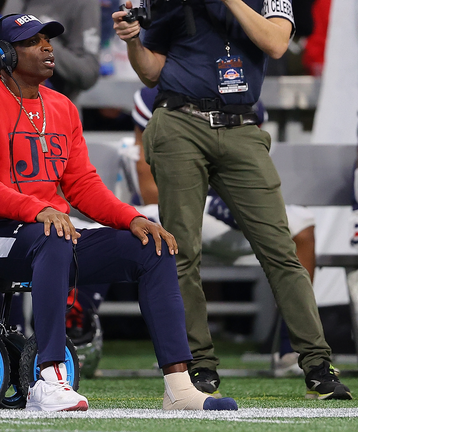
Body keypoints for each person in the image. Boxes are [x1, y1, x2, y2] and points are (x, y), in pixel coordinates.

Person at [0, 13, 238, 412]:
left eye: (49, 40)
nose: (48, 48)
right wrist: (39, 211)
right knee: (53, 233)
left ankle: (179, 386)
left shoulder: (63, 107)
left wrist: (132, 218)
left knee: (152, 248)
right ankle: (49, 379)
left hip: (47, 235)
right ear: (4, 53)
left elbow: (82, 184)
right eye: (34, 42)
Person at [113, 1, 352, 400]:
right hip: (179, 120)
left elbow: (275, 44)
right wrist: (135, 41)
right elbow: (152, 71)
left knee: (280, 249)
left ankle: (316, 365)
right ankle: (199, 366)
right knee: (182, 251)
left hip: (242, 126)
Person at [1, 0, 101, 100]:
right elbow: (1, 47)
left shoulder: (83, 3)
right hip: (9, 101)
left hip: (58, 106)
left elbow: (88, 73)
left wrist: (39, 39)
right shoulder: (15, 3)